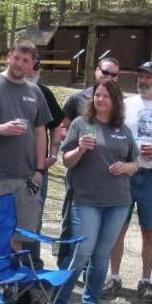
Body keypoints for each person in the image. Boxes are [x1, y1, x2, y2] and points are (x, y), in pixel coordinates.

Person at [52, 80, 138, 304]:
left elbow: (135, 164)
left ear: (115, 102)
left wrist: (125, 166)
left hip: (118, 201)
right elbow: (67, 161)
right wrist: (79, 149)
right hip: (86, 200)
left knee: (101, 256)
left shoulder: (123, 129)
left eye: (105, 96)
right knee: (82, 252)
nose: (100, 99)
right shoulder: (81, 124)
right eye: (97, 95)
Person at [102, 61, 152, 303]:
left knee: (150, 232)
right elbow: (110, 133)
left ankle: (146, 281)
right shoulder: (125, 105)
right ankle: (114, 277)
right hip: (125, 176)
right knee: (118, 229)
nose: (143, 81)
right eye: (140, 76)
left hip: (151, 178)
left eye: (149, 77)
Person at [0, 39, 52, 252]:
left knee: (19, 237)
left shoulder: (35, 92)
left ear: (32, 65)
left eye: (25, 60)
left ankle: (10, 284)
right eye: (16, 58)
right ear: (8, 57)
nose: (19, 64)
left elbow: (40, 131)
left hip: (26, 178)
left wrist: (39, 170)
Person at [57, 57, 120, 267]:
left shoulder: (120, 104)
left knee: (98, 230)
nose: (109, 77)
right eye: (105, 72)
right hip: (79, 174)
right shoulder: (77, 99)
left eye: (114, 74)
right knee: (70, 222)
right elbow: (61, 127)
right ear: (96, 72)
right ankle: (64, 267)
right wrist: (76, 138)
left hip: (105, 180)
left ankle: (88, 271)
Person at [23, 58, 65, 269]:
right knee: (4, 217)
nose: (32, 70)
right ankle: (3, 268)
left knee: (33, 218)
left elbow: (57, 126)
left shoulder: (44, 93)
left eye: (36, 66)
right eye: (28, 64)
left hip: (37, 169)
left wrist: (53, 155)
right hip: (6, 168)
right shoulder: (3, 89)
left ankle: (32, 266)